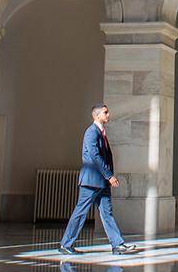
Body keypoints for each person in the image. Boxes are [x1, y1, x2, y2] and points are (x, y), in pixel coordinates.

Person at [59, 103, 139, 255]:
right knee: (81, 211)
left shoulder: (101, 132)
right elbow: (95, 156)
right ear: (96, 115)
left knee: (107, 213)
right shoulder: (91, 132)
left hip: (101, 182)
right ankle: (66, 244)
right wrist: (109, 175)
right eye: (105, 112)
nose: (108, 115)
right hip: (91, 181)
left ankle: (117, 245)